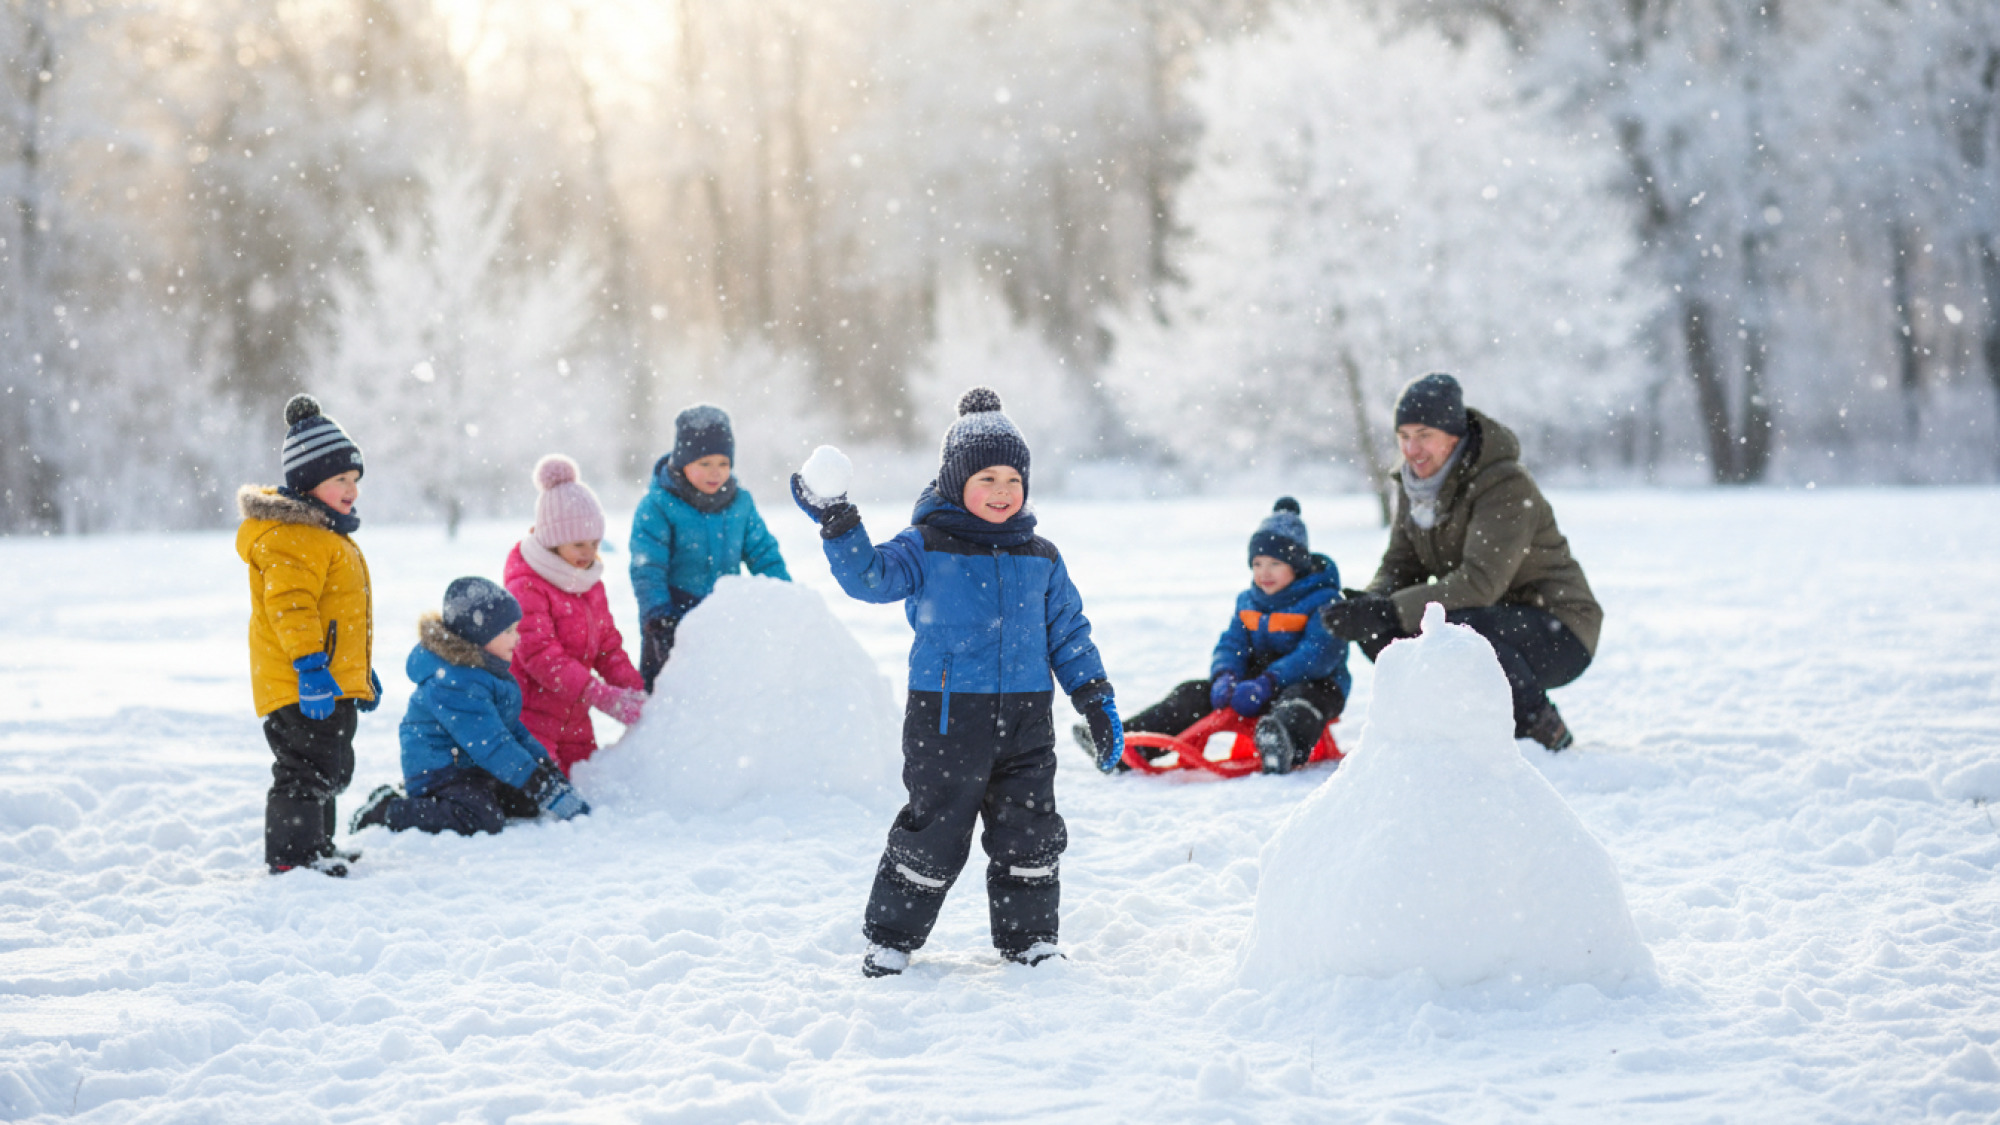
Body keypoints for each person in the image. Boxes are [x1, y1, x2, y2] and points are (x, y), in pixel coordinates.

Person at [791, 387, 1123, 978]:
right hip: (946, 720)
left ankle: (1030, 941)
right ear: (954, 483)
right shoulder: (926, 546)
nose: (1002, 492)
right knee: (934, 831)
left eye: (1012, 480)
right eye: (986, 479)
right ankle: (892, 938)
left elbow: (1068, 631)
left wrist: (1094, 698)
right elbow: (870, 577)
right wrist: (839, 522)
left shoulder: (1041, 555)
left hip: (1027, 722)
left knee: (1031, 831)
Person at [1321, 372, 1601, 750]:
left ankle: (1539, 725)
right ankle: (1441, 727)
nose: (1411, 449)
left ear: (1453, 437)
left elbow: (1480, 582)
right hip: (1492, 615)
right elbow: (1400, 564)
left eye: (1424, 435)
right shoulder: (1413, 484)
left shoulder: (1504, 485)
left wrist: (1389, 609)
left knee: (1458, 630)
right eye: (1403, 436)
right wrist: (1370, 603)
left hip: (1559, 629)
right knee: (1383, 634)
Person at [236, 393, 379, 877]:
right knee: (305, 769)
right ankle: (291, 857)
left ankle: (317, 845)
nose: (351, 489)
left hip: (327, 677)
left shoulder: (326, 537)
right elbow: (291, 608)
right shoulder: (293, 539)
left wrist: (359, 672)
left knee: (330, 766)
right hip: (299, 680)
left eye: (354, 479)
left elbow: (339, 616)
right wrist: (310, 665)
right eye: (340, 478)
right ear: (308, 480)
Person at [1111, 497, 1351, 775]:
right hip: (1254, 685)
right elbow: (1232, 643)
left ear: (1296, 566)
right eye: (1257, 563)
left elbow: (1317, 655)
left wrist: (1270, 681)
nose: (1264, 573)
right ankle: (1126, 743)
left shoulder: (1325, 601)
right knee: (1192, 694)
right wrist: (1226, 674)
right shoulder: (1248, 601)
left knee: (1300, 702)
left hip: (1317, 683)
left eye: (1275, 563)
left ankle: (1281, 744)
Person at [348, 578, 589, 837]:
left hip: (471, 766)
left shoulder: (486, 672)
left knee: (526, 803)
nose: (517, 638)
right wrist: (536, 781)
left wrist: (543, 768)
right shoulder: (455, 683)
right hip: (440, 772)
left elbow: (511, 732)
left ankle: (477, 795)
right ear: (479, 634)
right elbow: (491, 743)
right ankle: (388, 810)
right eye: (508, 631)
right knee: (482, 819)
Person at [503, 454, 646, 775]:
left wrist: (633, 692)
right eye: (578, 543)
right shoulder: (526, 585)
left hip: (575, 713)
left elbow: (608, 646)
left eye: (594, 543)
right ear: (553, 540)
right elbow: (540, 655)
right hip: (531, 711)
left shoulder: (589, 582)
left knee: (588, 787)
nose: (588, 552)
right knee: (541, 799)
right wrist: (598, 694)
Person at [629, 404, 789, 690]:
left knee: (721, 692)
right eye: (705, 464)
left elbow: (763, 554)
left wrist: (786, 598)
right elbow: (648, 567)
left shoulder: (739, 504)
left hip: (724, 616)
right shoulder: (658, 505)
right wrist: (659, 616)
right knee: (671, 695)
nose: (716, 473)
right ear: (682, 462)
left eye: (723, 464)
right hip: (670, 619)